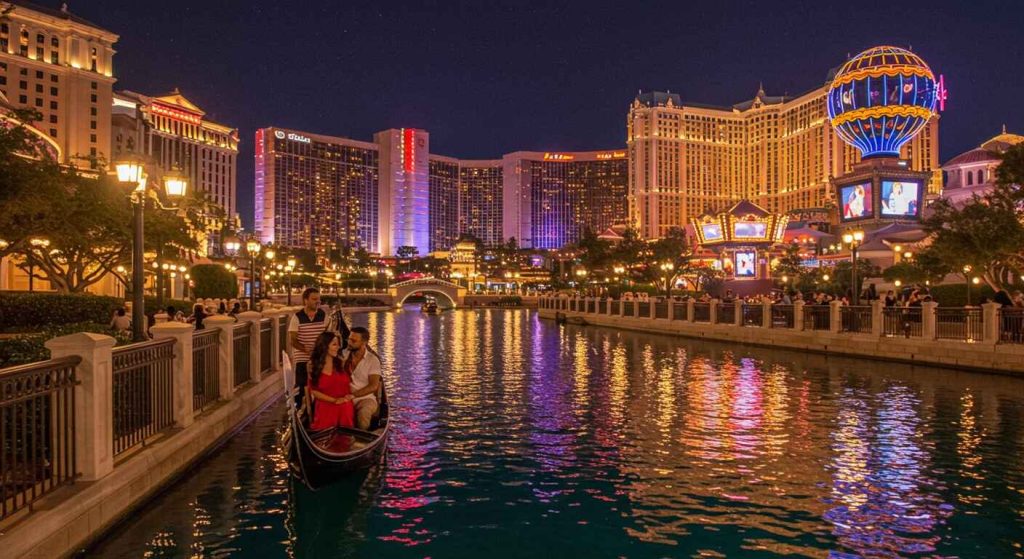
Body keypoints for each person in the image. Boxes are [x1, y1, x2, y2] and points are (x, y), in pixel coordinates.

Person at [306, 331, 355, 431]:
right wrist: (334, 400)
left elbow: (348, 385)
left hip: (344, 403)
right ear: (324, 346)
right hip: (325, 403)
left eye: (338, 344)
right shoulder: (312, 366)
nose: (338, 347)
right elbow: (314, 391)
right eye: (334, 344)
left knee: (345, 408)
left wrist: (348, 396)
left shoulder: (341, 363)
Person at [289, 288, 327, 407]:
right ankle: (300, 409)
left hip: (320, 358)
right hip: (302, 358)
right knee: (301, 385)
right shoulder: (297, 317)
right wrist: (307, 350)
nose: (318, 302)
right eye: (314, 299)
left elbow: (327, 337)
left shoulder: (323, 316)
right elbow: (293, 340)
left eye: (319, 299)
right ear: (306, 300)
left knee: (322, 385)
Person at [344, 326, 382, 431]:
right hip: (344, 396)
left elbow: (373, 386)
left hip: (366, 398)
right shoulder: (344, 355)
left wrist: (353, 395)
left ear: (364, 342)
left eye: (353, 340)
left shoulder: (372, 360)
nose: (349, 342)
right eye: (349, 339)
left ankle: (362, 438)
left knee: (363, 412)